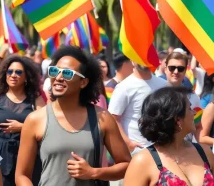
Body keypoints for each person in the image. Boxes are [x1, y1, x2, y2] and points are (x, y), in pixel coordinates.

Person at [15, 46, 131, 186]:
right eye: (54, 71)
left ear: (83, 82)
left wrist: (94, 173)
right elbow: (22, 175)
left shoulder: (102, 118)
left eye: (67, 73)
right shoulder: (35, 119)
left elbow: (126, 164)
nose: (58, 78)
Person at [124, 87, 214, 186]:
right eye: (189, 108)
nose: (194, 113)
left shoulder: (204, 152)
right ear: (177, 120)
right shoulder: (142, 161)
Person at [0, 55, 45, 186]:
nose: (13, 75)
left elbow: (46, 128)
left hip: (28, 157)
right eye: (10, 72)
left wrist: (23, 127)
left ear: (26, 76)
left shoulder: (36, 100)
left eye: (18, 72)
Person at [108, 63, 166, 154]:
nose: (142, 59)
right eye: (138, 55)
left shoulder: (164, 85)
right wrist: (128, 143)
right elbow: (113, 118)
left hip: (162, 150)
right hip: (137, 151)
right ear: (132, 60)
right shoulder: (124, 87)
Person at [164, 52, 202, 142]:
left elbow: (198, 125)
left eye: (180, 69)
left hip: (185, 150)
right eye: (172, 68)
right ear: (165, 69)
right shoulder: (154, 94)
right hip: (161, 150)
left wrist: (196, 148)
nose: (176, 72)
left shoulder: (193, 97)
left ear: (185, 71)